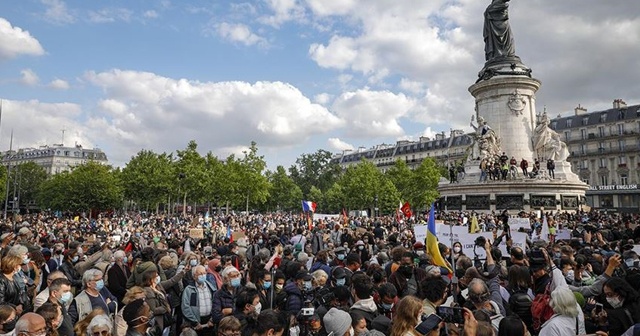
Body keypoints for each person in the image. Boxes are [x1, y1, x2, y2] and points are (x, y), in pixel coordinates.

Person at [182, 265, 217, 335]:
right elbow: (186, 307)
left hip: (210, 321)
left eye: (204, 273)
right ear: (194, 276)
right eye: (200, 274)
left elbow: (216, 303)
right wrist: (195, 322)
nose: (203, 275)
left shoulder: (211, 287)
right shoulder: (189, 289)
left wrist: (212, 319)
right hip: (195, 322)